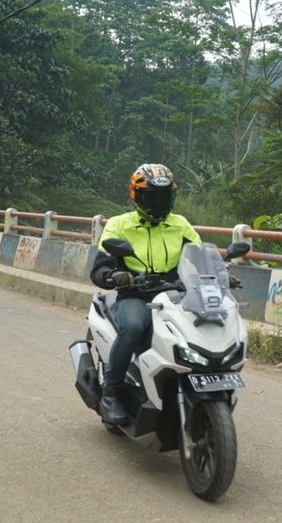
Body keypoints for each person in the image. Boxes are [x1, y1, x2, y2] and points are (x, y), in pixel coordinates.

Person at [90, 163, 201, 425]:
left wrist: (220, 274)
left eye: (164, 197)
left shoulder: (180, 224)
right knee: (133, 328)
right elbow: (100, 266)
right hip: (135, 295)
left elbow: (198, 255)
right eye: (152, 197)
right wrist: (113, 276)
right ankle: (111, 394)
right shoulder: (119, 225)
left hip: (175, 296)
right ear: (137, 196)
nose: (159, 203)